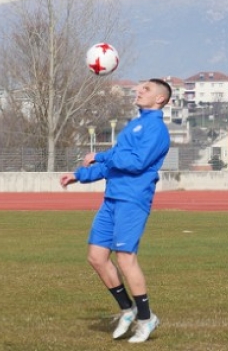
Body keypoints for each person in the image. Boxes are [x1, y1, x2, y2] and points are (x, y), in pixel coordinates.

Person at [60, 78, 172, 343]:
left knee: (125, 259)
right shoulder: (134, 125)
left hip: (132, 200)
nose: (138, 91)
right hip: (112, 197)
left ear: (160, 99)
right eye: (139, 87)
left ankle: (146, 319)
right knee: (97, 257)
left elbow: (134, 163)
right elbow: (114, 165)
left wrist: (100, 155)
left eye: (145, 89)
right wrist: (79, 175)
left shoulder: (156, 129)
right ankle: (128, 309)